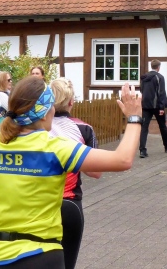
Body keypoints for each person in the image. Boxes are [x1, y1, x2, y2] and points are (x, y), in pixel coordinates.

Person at [0, 76, 143, 268]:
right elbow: (123, 160)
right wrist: (134, 117)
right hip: (40, 256)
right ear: (45, 113)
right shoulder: (56, 148)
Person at [49, 78, 101, 269]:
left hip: (40, 203)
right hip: (69, 203)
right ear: (71, 101)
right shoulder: (84, 129)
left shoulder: (33, 128)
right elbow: (96, 172)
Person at [139, 60, 167, 159]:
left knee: (144, 128)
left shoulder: (144, 78)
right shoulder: (159, 77)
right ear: (158, 67)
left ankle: (142, 150)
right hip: (157, 106)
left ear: (151, 66)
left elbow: (141, 90)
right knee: (162, 126)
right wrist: (162, 107)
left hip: (145, 106)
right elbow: (161, 93)